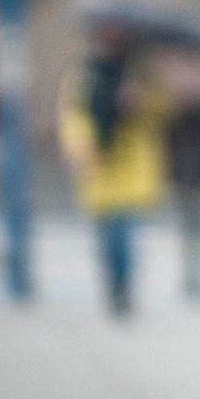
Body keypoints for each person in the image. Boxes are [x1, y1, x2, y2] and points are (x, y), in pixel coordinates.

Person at [57, 24, 174, 317]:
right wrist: (78, 145)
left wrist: (139, 100)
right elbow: (72, 113)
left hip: (133, 168)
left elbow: (166, 112)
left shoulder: (142, 76)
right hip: (97, 166)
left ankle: (123, 288)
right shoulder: (85, 75)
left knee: (125, 235)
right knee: (105, 240)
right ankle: (113, 284)